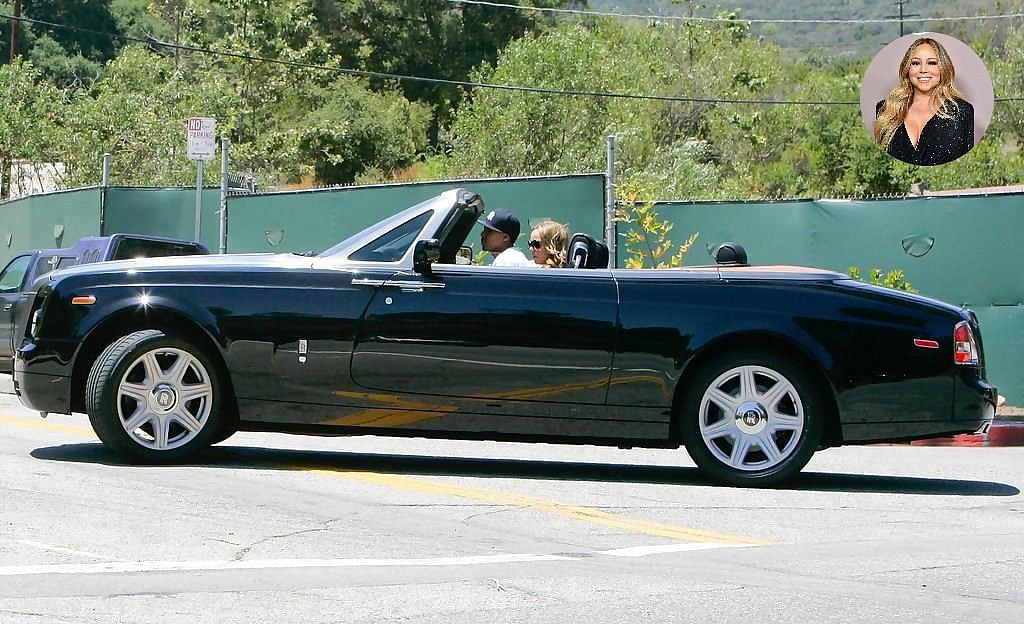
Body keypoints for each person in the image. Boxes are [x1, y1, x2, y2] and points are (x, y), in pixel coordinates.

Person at [873, 37, 974, 166]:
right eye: (915, 63)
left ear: (943, 67)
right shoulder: (885, 110)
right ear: (907, 69)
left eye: (932, 63)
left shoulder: (963, 112)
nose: (923, 70)